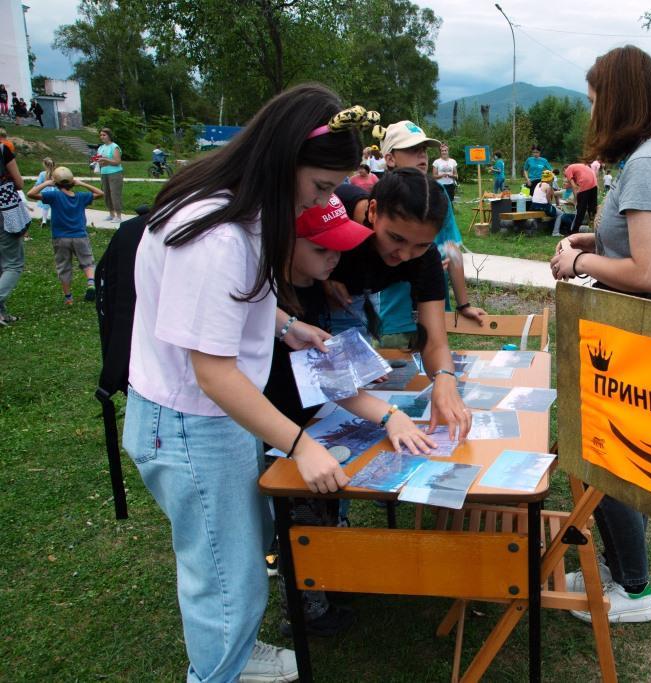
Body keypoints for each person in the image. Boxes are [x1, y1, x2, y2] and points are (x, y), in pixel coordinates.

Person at [121, 84, 371, 683]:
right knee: (228, 585)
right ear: (284, 158)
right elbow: (212, 373)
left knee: (229, 568)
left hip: (207, 420)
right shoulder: (217, 235)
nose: (320, 200)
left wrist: (286, 325)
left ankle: (228, 658)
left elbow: (217, 314)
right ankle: (216, 671)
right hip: (192, 423)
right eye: (319, 187)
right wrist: (301, 443)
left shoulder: (238, 209)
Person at [549, 45, 651, 625]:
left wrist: (579, 266)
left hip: (634, 330)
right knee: (606, 459)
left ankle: (634, 590)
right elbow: (635, 245)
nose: (591, 117)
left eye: (594, 103)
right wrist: (590, 242)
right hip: (633, 327)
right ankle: (621, 573)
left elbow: (647, 272)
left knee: (605, 461)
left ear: (617, 101)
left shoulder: (649, 165)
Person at [264, 194, 437, 637]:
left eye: (337, 249)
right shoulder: (268, 295)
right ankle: (307, 610)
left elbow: (326, 375)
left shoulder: (310, 284)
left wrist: (387, 416)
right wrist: (385, 416)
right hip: (278, 426)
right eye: (322, 250)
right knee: (300, 520)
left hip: (312, 417)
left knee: (325, 507)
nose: (334, 260)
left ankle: (332, 578)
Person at [324, 168, 474, 442]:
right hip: (304, 307)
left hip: (355, 300)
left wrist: (444, 377)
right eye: (396, 239)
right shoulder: (336, 208)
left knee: (350, 384)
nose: (405, 255)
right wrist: (322, 278)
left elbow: (435, 340)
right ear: (373, 211)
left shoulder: (425, 259)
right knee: (322, 389)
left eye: (420, 245)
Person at [372, 119, 486, 347]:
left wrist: (463, 304)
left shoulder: (438, 193)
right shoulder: (381, 195)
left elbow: (451, 247)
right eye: (412, 150)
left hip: (433, 312)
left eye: (423, 150)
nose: (422, 156)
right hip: (391, 320)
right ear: (390, 158)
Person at [26, 166, 103, 305]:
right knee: (88, 262)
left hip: (60, 237)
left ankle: (68, 298)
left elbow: (30, 194)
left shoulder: (54, 196)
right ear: (72, 182)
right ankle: (91, 282)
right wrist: (82, 183)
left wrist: (47, 183)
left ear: (56, 183)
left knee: (64, 266)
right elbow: (100, 193)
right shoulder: (81, 196)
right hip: (80, 236)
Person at [0, 131, 30, 325]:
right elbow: (18, 182)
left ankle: (1, 314)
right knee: (13, 263)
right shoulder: (3, 150)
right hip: (4, 211)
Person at [96, 127, 124, 222]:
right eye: (101, 135)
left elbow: (117, 161)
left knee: (115, 194)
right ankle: (111, 214)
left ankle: (118, 216)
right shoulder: (101, 148)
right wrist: (98, 162)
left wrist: (105, 160)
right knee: (106, 194)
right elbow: (100, 160)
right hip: (104, 173)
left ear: (109, 136)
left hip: (115, 173)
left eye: (104, 135)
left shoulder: (114, 146)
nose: (102, 137)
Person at [562, 162, 598, 235]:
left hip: (585, 181)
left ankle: (574, 231)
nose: (566, 177)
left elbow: (574, 187)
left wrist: (576, 201)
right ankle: (595, 229)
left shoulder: (568, 170)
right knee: (592, 208)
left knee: (580, 209)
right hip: (594, 182)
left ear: (564, 170)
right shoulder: (578, 167)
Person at [34, 157, 55, 226]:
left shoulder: (42, 174)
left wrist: (35, 187)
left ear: (44, 165)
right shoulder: (56, 173)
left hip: (45, 192)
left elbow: (38, 183)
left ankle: (44, 221)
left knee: (45, 207)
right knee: (54, 206)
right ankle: (54, 220)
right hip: (55, 191)